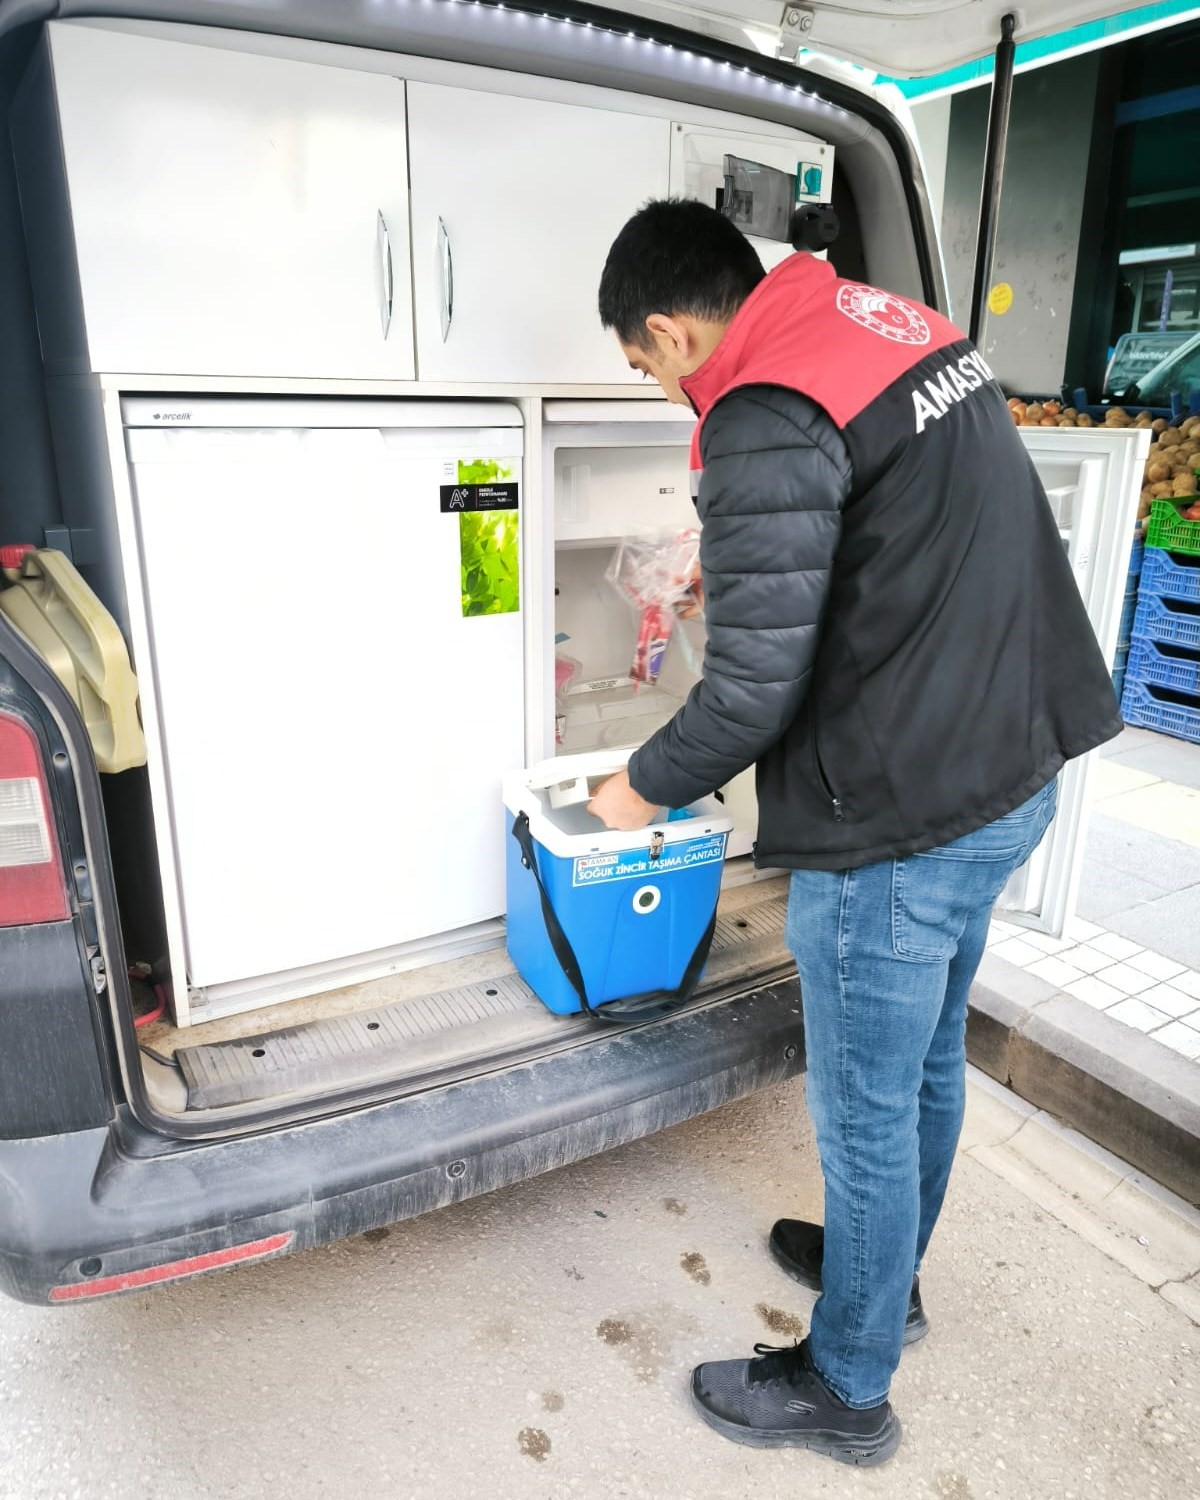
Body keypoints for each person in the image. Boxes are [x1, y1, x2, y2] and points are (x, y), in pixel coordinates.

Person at [587, 199, 1123, 1468]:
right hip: (1012, 766)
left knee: (866, 1112)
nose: (668, 393)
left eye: (647, 366)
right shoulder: (890, 324)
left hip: (902, 818)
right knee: (929, 1061)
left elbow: (748, 694)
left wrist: (634, 792)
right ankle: (894, 1277)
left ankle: (847, 1385)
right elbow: (905, 538)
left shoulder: (760, 407)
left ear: (668, 327)